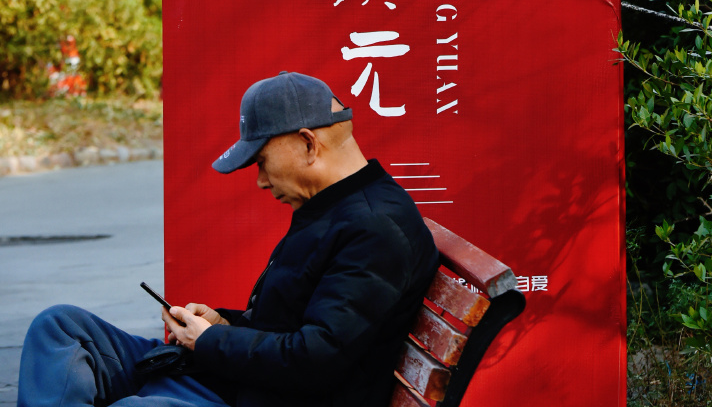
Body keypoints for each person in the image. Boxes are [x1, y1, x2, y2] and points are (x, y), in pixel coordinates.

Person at [17, 71, 439, 407]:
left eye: (261, 161)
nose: (260, 181)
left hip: (258, 396)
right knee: (59, 327)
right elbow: (289, 325)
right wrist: (223, 325)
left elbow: (315, 358)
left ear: (308, 144)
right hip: (230, 379)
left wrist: (210, 341)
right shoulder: (333, 206)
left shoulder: (375, 228)